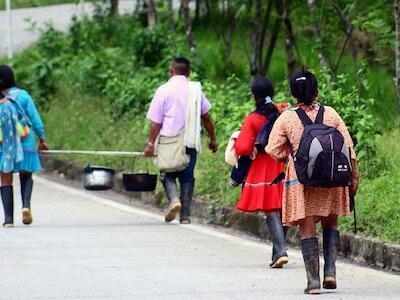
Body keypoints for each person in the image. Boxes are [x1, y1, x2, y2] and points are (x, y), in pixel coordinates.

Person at [266, 69, 360, 294]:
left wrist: (290, 158)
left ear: (293, 93)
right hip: (333, 178)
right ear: (316, 90)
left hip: (302, 180)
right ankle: (331, 272)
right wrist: (354, 176)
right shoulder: (331, 113)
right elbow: (348, 148)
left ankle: (313, 282)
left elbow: (272, 149)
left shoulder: (287, 117)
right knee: (331, 222)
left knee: (308, 226)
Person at [144, 57, 217, 224]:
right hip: (190, 141)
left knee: (166, 173)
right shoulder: (195, 90)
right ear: (189, 72)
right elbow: (206, 117)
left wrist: (150, 144)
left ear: (171, 70)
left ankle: (174, 199)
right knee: (187, 176)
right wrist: (213, 139)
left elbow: (156, 122)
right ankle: (185, 216)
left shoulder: (163, 90)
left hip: (169, 140)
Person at [234, 77, 288, 268]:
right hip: (284, 165)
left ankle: (281, 250)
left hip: (264, 167)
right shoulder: (283, 112)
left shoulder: (253, 119)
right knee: (283, 207)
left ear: (253, 95)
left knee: (271, 208)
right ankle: (277, 252)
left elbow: (242, 148)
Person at [0, 65, 49, 227]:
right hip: (25, 141)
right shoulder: (23, 96)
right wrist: (42, 139)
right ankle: (26, 206)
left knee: (5, 179)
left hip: (4, 145)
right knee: (26, 174)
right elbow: (35, 120)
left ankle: (8, 220)